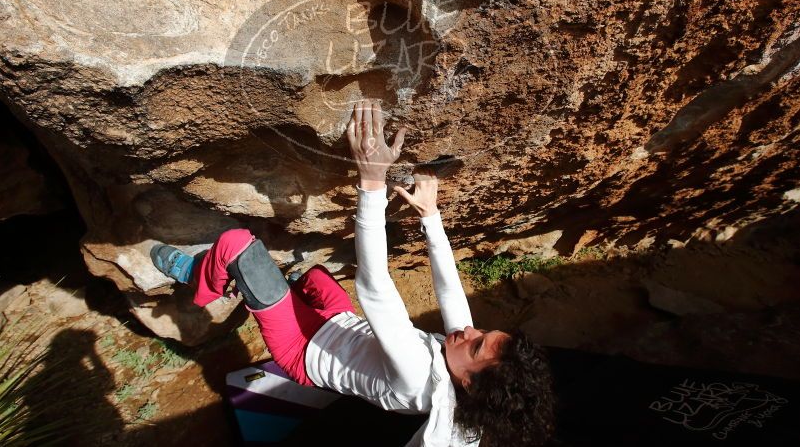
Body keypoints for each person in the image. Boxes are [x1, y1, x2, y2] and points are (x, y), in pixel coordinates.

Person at [152, 99, 555, 446]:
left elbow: (375, 286)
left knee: (237, 246)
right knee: (316, 279)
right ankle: (250, 287)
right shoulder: (460, 358)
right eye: (483, 332)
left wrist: (371, 179)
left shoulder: (418, 375)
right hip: (338, 323)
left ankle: (198, 278)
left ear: (469, 384)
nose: (471, 332)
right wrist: (431, 216)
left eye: (476, 346)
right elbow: (450, 293)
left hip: (302, 351)